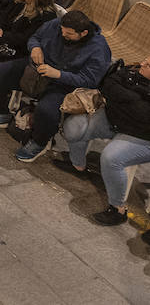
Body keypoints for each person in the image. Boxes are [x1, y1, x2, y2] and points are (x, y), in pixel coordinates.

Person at [0, 10, 112, 162]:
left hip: (63, 84)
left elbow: (89, 81)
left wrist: (58, 74)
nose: (63, 35)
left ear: (84, 33)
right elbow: (35, 37)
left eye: (69, 34)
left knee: (46, 111)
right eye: (62, 30)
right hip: (36, 69)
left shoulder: (99, 49)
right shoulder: (56, 24)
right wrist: (35, 47)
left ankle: (39, 143)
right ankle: (2, 113)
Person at [58, 55, 150, 227]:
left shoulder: (131, 80)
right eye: (145, 59)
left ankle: (118, 209)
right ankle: (78, 166)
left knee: (111, 158)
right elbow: (108, 84)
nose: (142, 64)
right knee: (74, 127)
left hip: (141, 136)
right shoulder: (132, 70)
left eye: (148, 65)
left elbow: (144, 115)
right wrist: (133, 99)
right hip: (113, 119)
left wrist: (123, 98)